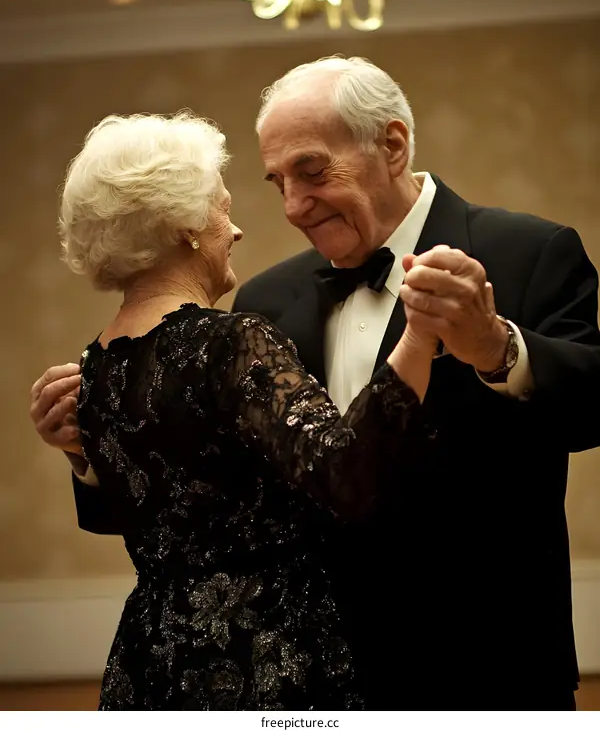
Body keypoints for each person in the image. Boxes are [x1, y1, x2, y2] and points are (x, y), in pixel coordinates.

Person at [31, 56, 600, 710]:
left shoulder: (530, 251)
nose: (293, 207)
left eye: (312, 170)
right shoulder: (265, 300)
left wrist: (497, 349)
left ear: (392, 144)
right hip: (308, 672)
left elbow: (590, 410)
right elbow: (206, 489)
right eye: (276, 182)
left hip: (487, 664)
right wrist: (88, 458)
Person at [33, 110, 438, 711]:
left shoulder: (97, 363)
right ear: (187, 227)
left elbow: (145, 513)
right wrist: (421, 334)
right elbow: (346, 475)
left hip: (153, 658)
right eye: (222, 209)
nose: (237, 229)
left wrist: (79, 456)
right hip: (265, 656)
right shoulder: (229, 342)